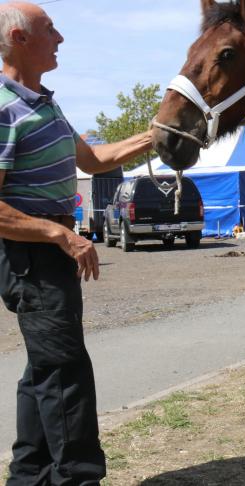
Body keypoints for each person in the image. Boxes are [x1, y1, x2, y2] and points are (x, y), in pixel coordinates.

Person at [0, 3, 152, 484]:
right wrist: (59, 233)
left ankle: (29, 476)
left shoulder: (43, 103)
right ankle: (78, 478)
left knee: (44, 368)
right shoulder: (4, 107)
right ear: (19, 39)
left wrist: (158, 135)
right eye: (50, 29)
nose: (61, 38)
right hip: (33, 252)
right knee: (66, 372)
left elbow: (94, 158)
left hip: (49, 249)